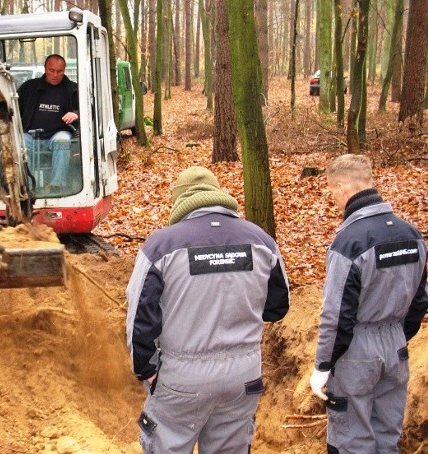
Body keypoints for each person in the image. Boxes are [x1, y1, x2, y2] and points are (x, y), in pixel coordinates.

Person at [126, 166, 290, 453]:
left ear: (180, 200)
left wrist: (146, 369)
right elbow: (277, 307)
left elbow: (140, 315)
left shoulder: (161, 245)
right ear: (217, 193)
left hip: (182, 376)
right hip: (243, 375)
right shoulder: (262, 240)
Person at [309, 154, 428, 454]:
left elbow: (337, 315)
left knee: (351, 441)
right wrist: (397, 337)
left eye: (332, 191)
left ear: (341, 188)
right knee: (387, 437)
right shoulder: (411, 234)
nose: (333, 199)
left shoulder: (349, 241)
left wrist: (323, 365)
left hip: (357, 352)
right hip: (397, 348)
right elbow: (419, 300)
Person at [17, 54, 79, 193]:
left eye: (60, 71)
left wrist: (76, 114)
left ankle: (56, 186)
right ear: (45, 68)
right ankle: (26, 187)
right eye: (51, 70)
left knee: (63, 140)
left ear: (64, 70)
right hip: (30, 135)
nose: (55, 74)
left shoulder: (73, 90)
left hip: (57, 134)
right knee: (19, 144)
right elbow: (13, 107)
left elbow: (89, 108)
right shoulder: (29, 88)